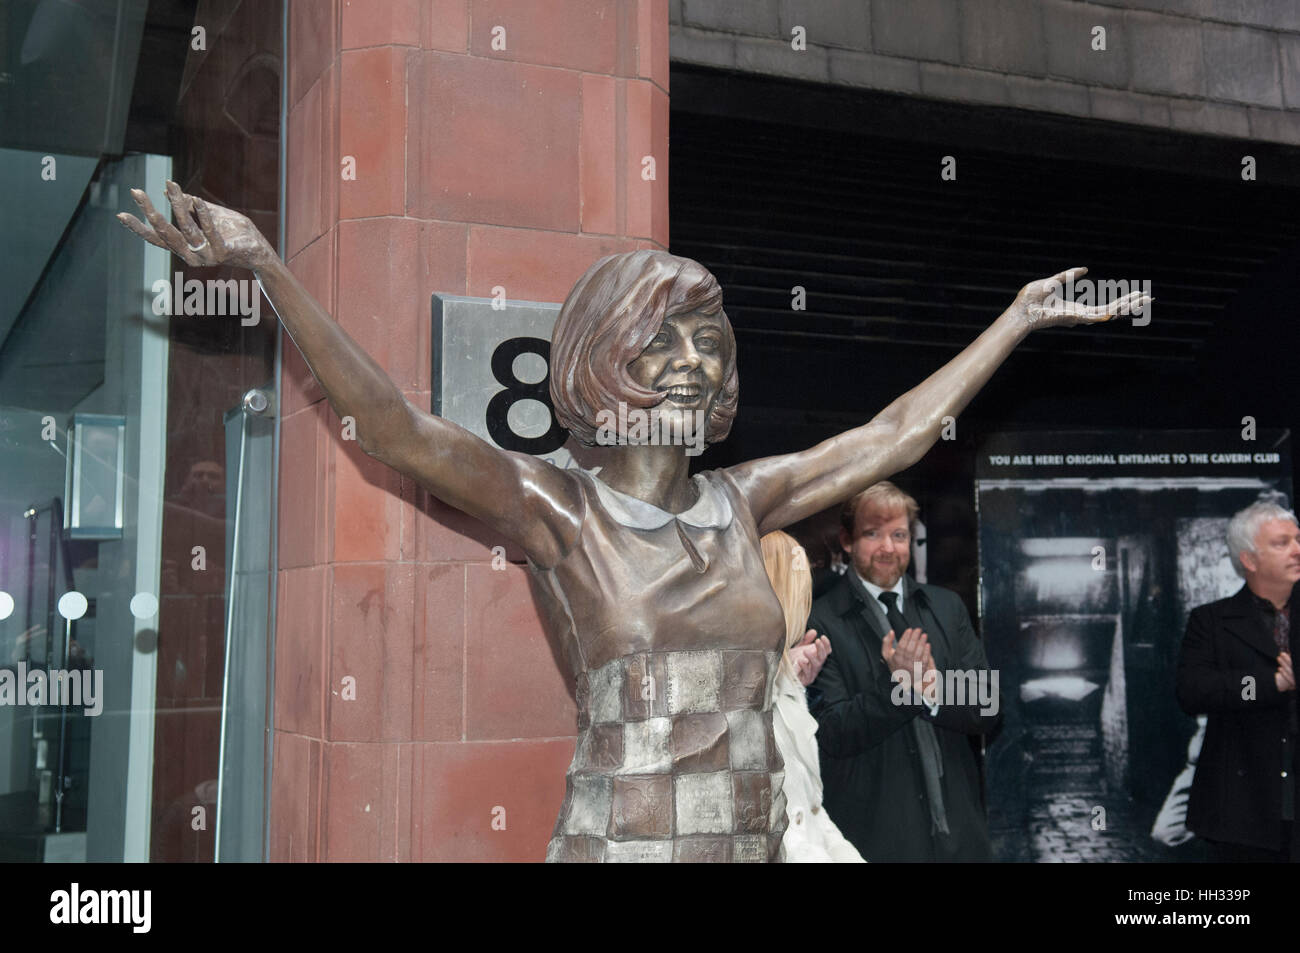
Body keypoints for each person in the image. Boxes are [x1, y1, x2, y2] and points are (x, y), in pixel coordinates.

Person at [117, 182, 1145, 862]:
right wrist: (264, 264)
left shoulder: (746, 499)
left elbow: (892, 433)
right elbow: (390, 426)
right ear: (605, 358)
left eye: (711, 339)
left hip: (754, 841)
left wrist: (1015, 317)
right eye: (665, 340)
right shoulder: (555, 508)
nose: (697, 358)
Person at [808, 482, 1001, 861]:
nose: (888, 548)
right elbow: (831, 733)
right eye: (872, 534)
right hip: (873, 841)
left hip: (961, 838)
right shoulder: (820, 620)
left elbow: (989, 706)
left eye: (899, 535)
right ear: (847, 541)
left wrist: (931, 689)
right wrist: (898, 689)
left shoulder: (946, 608)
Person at [1176, 500, 1300, 862]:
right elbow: (1192, 691)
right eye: (1282, 543)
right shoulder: (1210, 621)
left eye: (1298, 539)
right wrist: (1268, 684)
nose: (1297, 550)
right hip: (1244, 808)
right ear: (1249, 560)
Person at [760, 530, 864, 863]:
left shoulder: (782, 684)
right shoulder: (740, 693)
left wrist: (791, 681)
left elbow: (812, 810)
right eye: (801, 587)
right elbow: (781, 830)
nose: (807, 600)